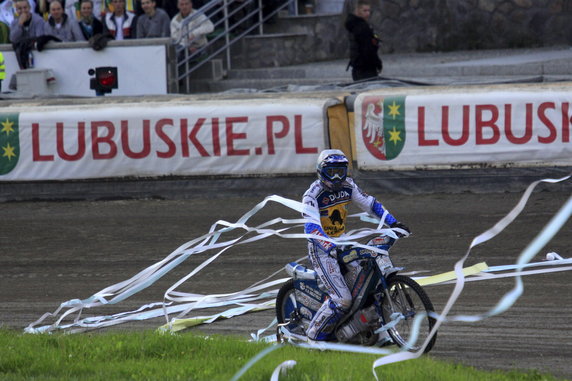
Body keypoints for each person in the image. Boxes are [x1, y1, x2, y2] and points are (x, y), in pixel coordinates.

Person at [302, 149, 410, 341]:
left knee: (366, 285)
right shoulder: (312, 195)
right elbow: (311, 228)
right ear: (321, 171)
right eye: (332, 171)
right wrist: (329, 246)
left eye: (341, 171)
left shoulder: (349, 185)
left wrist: (394, 223)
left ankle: (368, 329)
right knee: (342, 299)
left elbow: (371, 204)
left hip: (342, 242)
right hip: (321, 250)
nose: (337, 177)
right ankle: (312, 337)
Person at [344, 0, 381, 81]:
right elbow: (367, 49)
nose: (368, 13)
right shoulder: (361, 27)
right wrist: (377, 63)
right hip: (365, 68)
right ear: (357, 11)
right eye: (364, 10)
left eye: (369, 11)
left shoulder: (355, 25)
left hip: (359, 67)